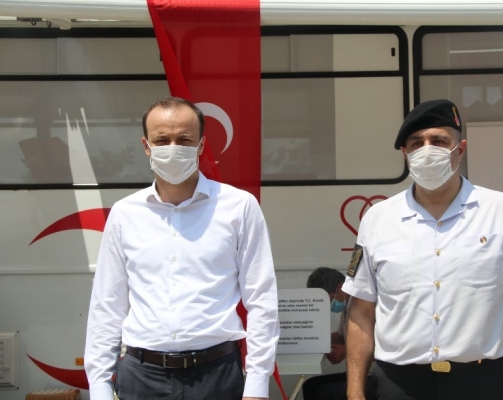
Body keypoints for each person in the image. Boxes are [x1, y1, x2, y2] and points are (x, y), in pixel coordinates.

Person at [342, 99, 503, 400]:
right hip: (400, 385)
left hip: (481, 383)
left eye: (438, 141)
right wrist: (354, 394)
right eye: (416, 143)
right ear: (405, 154)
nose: (427, 150)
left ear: (460, 149)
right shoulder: (377, 220)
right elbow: (361, 312)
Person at [84, 96, 279, 400]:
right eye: (162, 140)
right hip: (141, 377)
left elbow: (262, 299)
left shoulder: (239, 207)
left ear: (201, 145)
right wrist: (99, 386)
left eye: (184, 139)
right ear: (146, 146)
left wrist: (257, 383)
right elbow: (107, 304)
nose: (173, 147)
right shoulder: (125, 214)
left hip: (216, 375)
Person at [302, 267, 376, 400]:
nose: (329, 306)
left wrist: (345, 351)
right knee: (310, 386)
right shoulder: (347, 307)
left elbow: (382, 346)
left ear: (340, 287)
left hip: (375, 376)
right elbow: (341, 337)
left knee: (326, 393)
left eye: (329, 300)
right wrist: (311, 340)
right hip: (358, 374)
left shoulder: (365, 306)